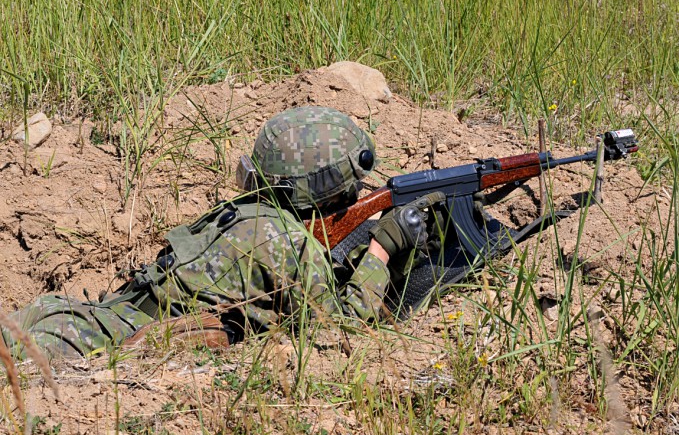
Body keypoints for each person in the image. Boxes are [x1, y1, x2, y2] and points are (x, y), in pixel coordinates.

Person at [1, 106, 444, 360]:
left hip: (68, 315)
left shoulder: (242, 212)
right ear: (327, 183)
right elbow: (339, 333)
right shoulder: (288, 244)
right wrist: (384, 248)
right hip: (84, 345)